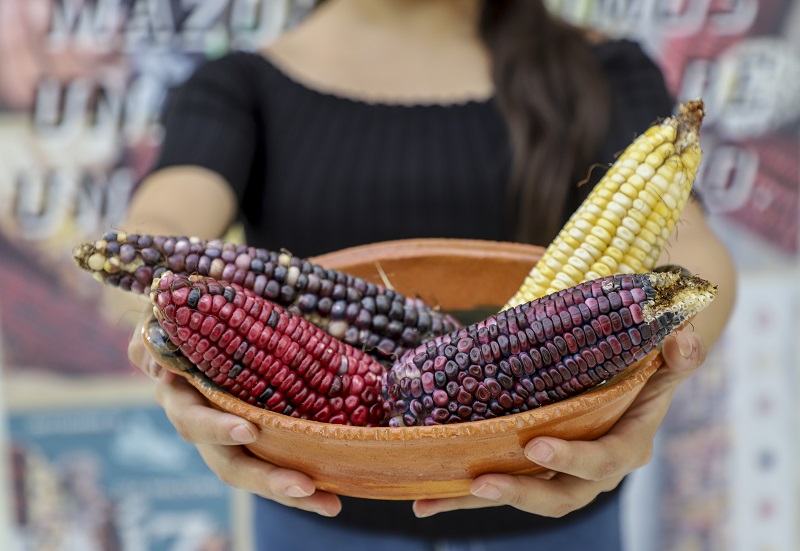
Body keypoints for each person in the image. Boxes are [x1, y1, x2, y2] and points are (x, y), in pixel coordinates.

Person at [121, 1, 737, 549]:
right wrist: (168, 341)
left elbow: (698, 252)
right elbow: (169, 217)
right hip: (321, 512)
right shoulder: (238, 85)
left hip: (555, 504)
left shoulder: (602, 69)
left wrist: (657, 375)